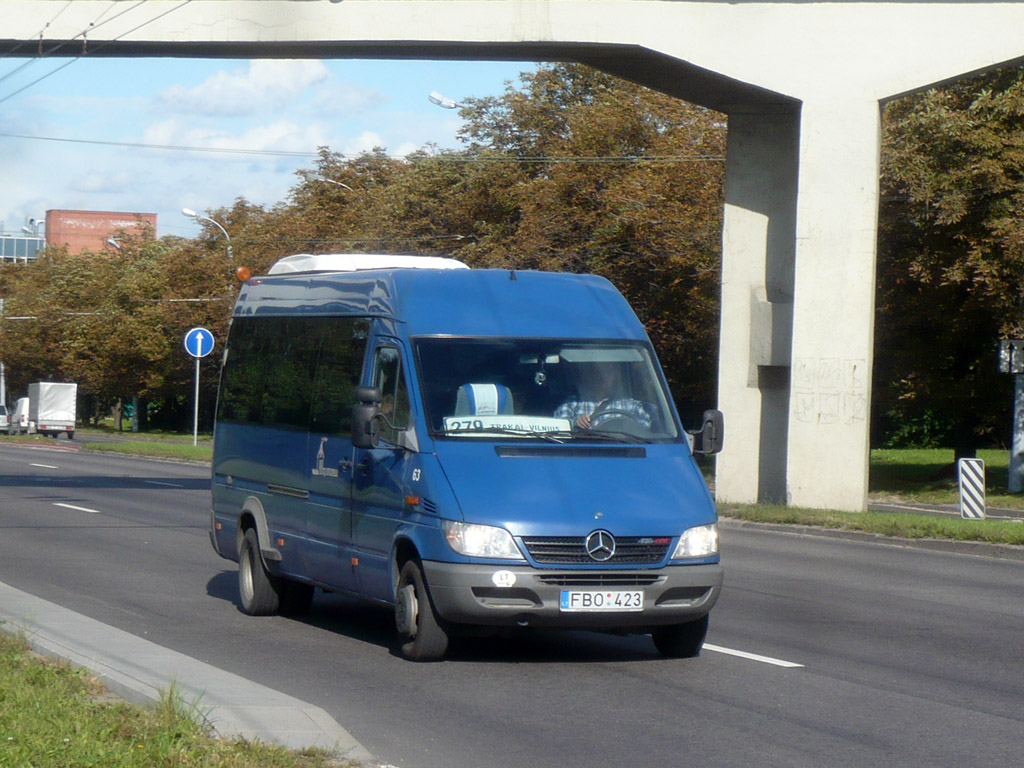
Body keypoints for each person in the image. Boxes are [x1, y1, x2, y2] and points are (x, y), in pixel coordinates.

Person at [554, 362, 653, 431]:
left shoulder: (630, 404)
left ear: (615, 375)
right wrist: (576, 424)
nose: (602, 376)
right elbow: (559, 426)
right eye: (597, 371)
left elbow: (646, 428)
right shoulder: (573, 402)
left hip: (623, 452)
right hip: (584, 453)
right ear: (589, 374)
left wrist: (628, 426)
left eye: (607, 371)